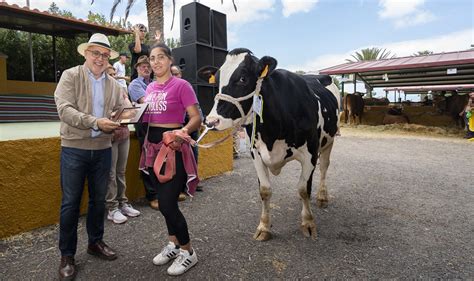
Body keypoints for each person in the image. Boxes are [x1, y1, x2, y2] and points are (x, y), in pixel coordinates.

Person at [54, 33, 123, 280]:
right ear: (86, 54)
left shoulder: (113, 85)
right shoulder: (70, 76)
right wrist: (96, 122)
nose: (101, 58)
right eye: (96, 53)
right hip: (74, 148)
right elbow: (65, 110)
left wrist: (123, 120)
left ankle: (95, 243)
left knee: (97, 202)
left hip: (103, 150)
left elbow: (118, 110)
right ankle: (67, 255)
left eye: (105, 55)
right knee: (70, 203)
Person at [140, 43, 201, 276]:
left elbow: (196, 117)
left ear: (170, 60)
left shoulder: (182, 85)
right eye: (152, 58)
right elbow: (147, 116)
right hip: (152, 149)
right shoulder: (150, 88)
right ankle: (173, 245)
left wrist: (181, 133)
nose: (155, 62)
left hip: (172, 148)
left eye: (160, 57)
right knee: (165, 205)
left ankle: (188, 252)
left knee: (167, 203)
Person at [105, 85, 141, 224]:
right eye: (111, 74)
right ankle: (112, 208)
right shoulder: (102, 91)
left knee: (121, 171)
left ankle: (123, 203)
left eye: (114, 74)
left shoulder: (121, 90)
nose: (114, 77)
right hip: (110, 136)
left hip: (124, 135)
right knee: (111, 173)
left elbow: (129, 112)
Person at [128, 55, 159, 209]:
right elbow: (146, 103)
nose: (146, 68)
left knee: (160, 158)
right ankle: (152, 196)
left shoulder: (154, 83)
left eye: (148, 66)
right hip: (144, 124)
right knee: (147, 159)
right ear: (137, 69)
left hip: (157, 123)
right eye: (142, 66)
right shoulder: (134, 84)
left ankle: (161, 193)